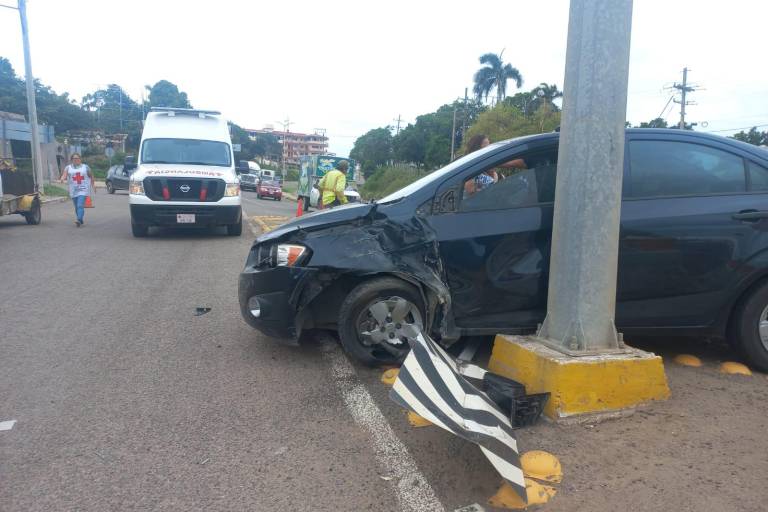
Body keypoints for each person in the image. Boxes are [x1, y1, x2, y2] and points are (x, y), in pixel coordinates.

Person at [59, 153, 94, 227]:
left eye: (77, 158)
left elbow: (91, 175)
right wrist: (62, 178)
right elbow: (64, 174)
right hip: (74, 189)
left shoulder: (85, 167)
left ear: (80, 159)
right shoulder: (68, 168)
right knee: (76, 206)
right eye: (74, 159)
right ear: (72, 160)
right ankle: (80, 219)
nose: (76, 160)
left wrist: (93, 185)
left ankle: (79, 219)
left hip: (83, 189)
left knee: (80, 205)